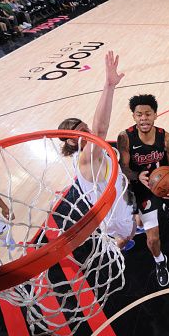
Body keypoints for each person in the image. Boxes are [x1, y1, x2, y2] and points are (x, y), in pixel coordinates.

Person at [58, 51, 136, 252]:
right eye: (83, 132)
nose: (90, 133)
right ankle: (118, 247)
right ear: (71, 142)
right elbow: (100, 129)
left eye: (87, 128)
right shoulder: (87, 157)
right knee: (131, 231)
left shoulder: (86, 154)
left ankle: (120, 239)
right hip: (116, 215)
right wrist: (109, 86)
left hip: (111, 206)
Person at [117, 94, 169, 287]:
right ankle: (160, 261)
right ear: (133, 116)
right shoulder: (125, 137)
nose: (143, 118)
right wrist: (136, 176)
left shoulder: (166, 137)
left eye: (148, 114)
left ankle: (162, 208)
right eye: (139, 114)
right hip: (144, 189)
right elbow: (124, 168)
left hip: (166, 183)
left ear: (155, 115)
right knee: (152, 239)